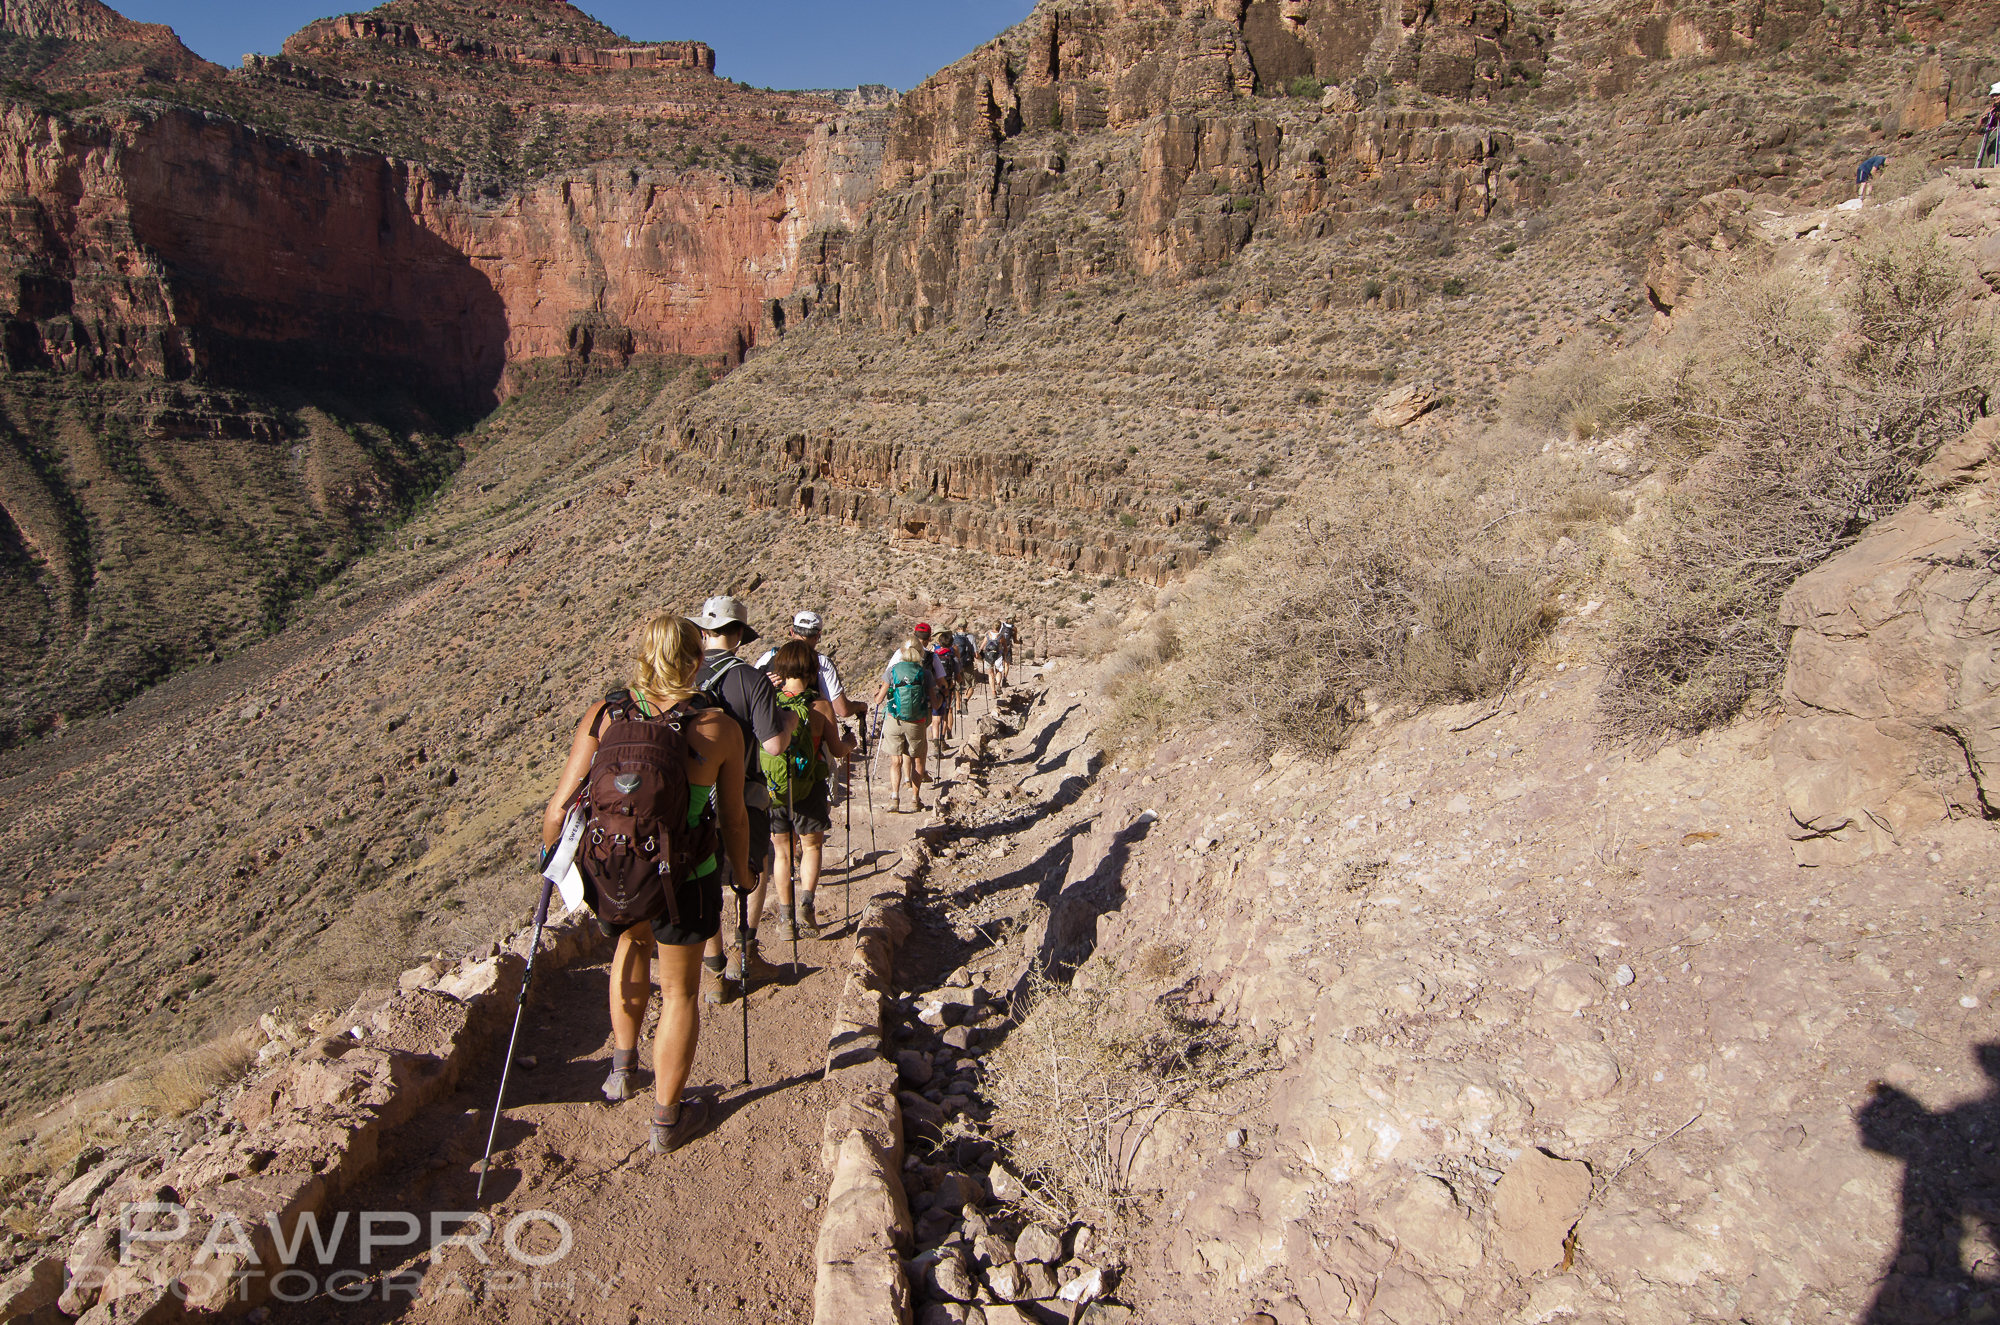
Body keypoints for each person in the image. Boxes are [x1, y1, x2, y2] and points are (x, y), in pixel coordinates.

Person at [539, 614, 750, 1153]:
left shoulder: (604, 715)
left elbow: (558, 809)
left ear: (642, 655)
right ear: (696, 659)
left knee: (630, 951)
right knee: (680, 991)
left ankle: (622, 1071)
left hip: (618, 871)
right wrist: (743, 873)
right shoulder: (719, 728)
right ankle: (666, 1119)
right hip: (688, 877)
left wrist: (555, 864)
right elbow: (733, 817)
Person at [691, 594, 798, 1002]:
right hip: (743, 791)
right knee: (754, 866)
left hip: (694, 797)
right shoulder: (750, 679)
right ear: (739, 635)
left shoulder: (684, 675)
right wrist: (785, 720)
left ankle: (715, 969)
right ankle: (747, 954)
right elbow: (773, 746)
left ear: (704, 631)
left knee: (704, 877)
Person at [765, 640, 854, 940]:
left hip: (775, 790)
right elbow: (837, 750)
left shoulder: (768, 704)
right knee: (812, 846)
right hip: (810, 787)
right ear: (812, 669)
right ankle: (806, 904)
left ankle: (785, 917)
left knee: (781, 852)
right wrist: (851, 743)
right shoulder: (820, 706)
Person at [756, 609, 861, 806]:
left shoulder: (768, 657)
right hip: (812, 761)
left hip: (773, 769)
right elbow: (842, 709)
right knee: (812, 830)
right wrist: (850, 738)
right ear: (818, 635)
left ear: (790, 631)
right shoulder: (822, 662)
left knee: (780, 833)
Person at [872, 635, 935, 812]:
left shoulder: (892, 670)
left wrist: (877, 694)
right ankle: (915, 799)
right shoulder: (926, 674)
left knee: (896, 761)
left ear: (902, 651)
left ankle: (894, 798)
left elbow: (879, 700)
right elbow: (935, 703)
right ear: (920, 652)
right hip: (917, 722)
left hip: (894, 720)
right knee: (918, 760)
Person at [979, 621, 1007, 705]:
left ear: (993, 626)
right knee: (998, 671)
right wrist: (1004, 654)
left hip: (988, 656)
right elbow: (1005, 647)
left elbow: (982, 646)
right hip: (998, 656)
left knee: (990, 674)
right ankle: (998, 684)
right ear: (1000, 627)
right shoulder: (1001, 636)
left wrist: (980, 654)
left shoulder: (987, 635)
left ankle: (993, 692)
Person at [1979, 86, 2000, 169]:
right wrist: (1982, 117)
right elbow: (1977, 128)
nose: (1995, 97)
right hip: (1990, 135)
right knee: (1981, 150)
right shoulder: (1991, 109)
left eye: (1997, 95)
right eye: (1993, 96)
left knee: (1993, 159)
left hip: (1997, 136)